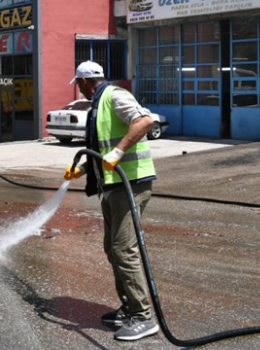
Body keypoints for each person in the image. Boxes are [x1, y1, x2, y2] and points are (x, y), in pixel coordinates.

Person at [64, 60, 160, 341]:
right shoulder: (98, 104)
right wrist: (81, 169)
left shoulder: (115, 95)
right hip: (112, 186)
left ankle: (143, 316)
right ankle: (130, 308)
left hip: (131, 184)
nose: (78, 89)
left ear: (84, 81)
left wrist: (118, 152)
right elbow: (100, 148)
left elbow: (145, 120)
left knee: (123, 249)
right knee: (112, 248)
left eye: (78, 84)